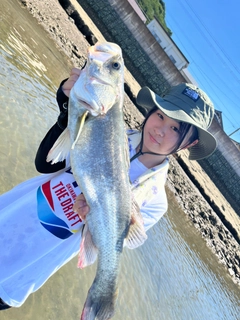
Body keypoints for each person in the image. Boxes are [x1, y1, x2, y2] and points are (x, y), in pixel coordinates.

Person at [0, 68, 217, 310]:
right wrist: (67, 108)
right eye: (161, 116)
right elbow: (44, 163)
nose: (161, 129)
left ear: (191, 143)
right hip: (7, 215)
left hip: (18, 272)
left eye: (176, 128)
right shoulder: (106, 130)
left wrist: (93, 216)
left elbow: (106, 245)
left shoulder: (155, 200)